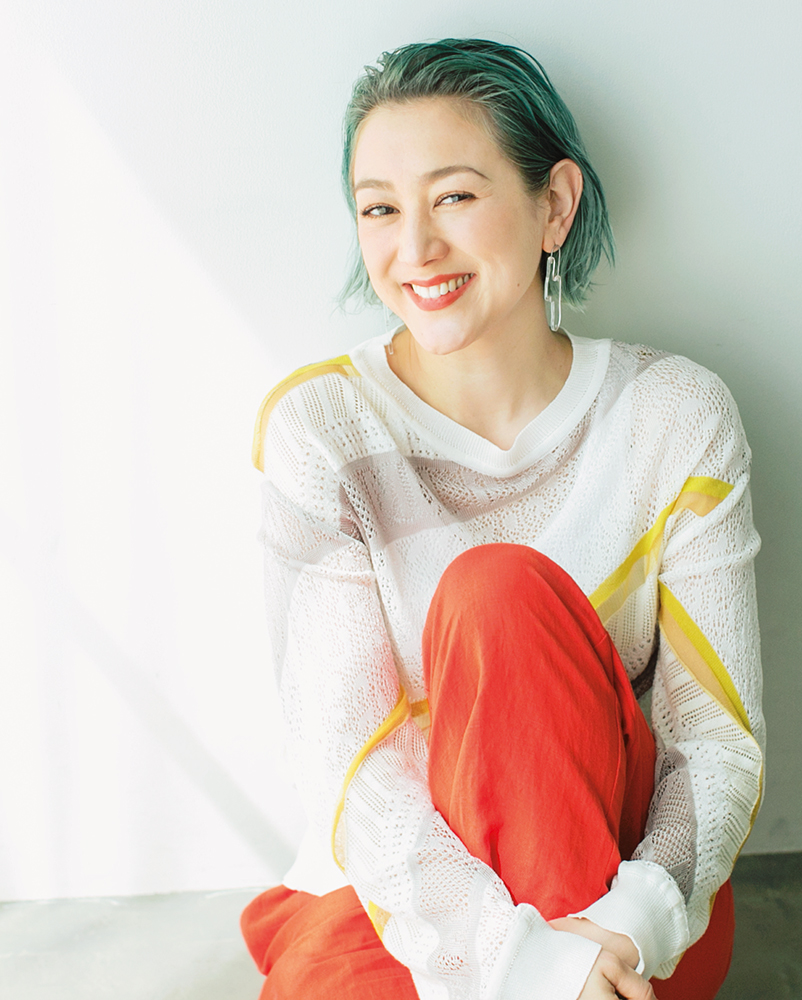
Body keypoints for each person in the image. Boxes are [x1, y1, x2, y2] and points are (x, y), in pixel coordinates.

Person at [240, 38, 764, 1000]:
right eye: (380, 209)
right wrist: (527, 963)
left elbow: (714, 739)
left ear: (554, 204)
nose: (414, 249)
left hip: (628, 898)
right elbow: (351, 758)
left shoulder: (674, 415)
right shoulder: (324, 430)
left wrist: (623, 926)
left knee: (498, 595)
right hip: (413, 901)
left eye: (453, 197)